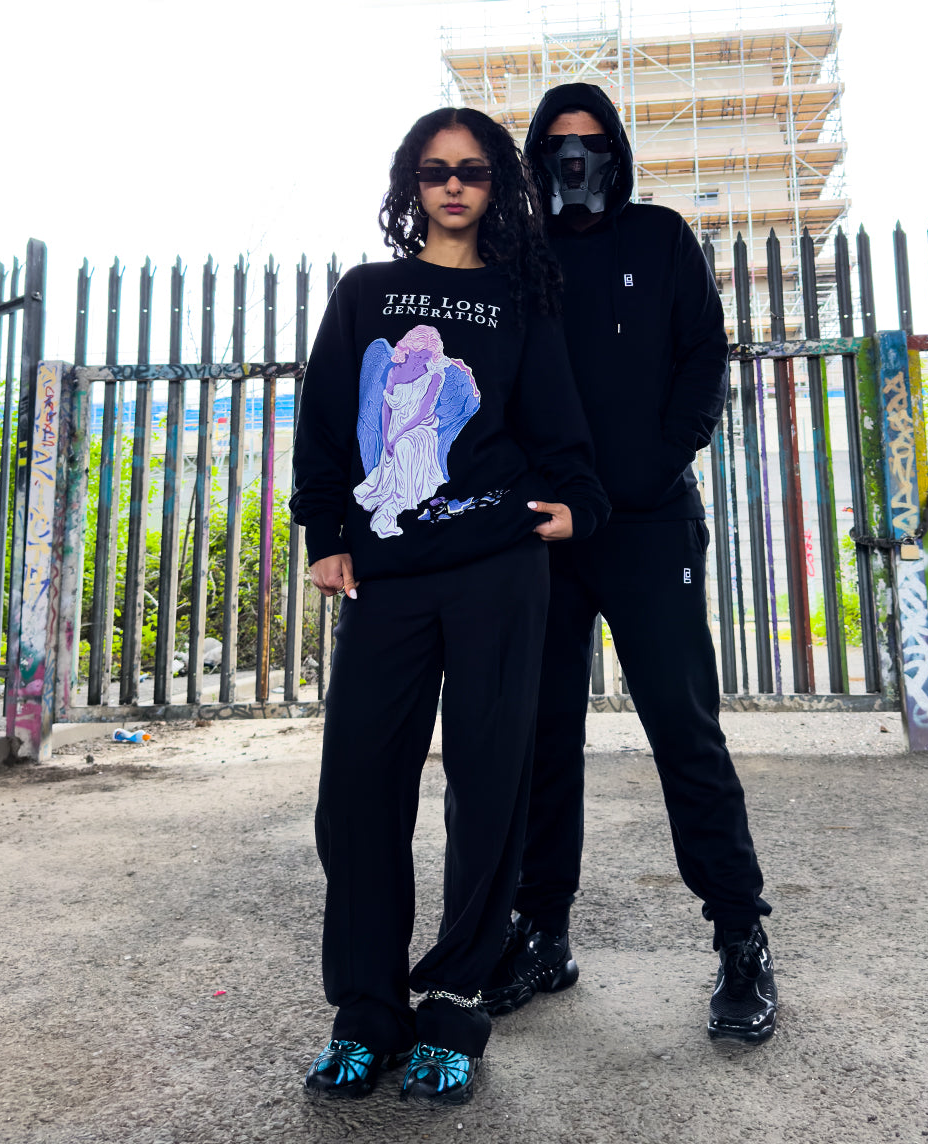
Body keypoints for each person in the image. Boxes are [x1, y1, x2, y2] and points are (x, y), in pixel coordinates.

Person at [290, 105, 609, 1106]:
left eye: (471, 170)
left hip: (496, 570)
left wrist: (578, 502)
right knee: (358, 788)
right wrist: (326, 529)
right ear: (411, 186)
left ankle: (456, 1005)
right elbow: (325, 421)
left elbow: (555, 423)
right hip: (388, 573)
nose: (454, 185)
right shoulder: (366, 292)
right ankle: (367, 1012)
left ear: (496, 184)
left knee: (488, 780)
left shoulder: (521, 296)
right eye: (435, 172)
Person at [481, 82, 778, 1044]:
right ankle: (543, 932)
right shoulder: (515, 256)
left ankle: (740, 938)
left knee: (685, 734)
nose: (576, 158)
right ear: (536, 158)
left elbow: (704, 355)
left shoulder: (660, 238)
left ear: (616, 149)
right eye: (557, 143)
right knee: (541, 739)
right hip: (547, 533)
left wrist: (654, 464)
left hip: (649, 527)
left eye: (592, 140)